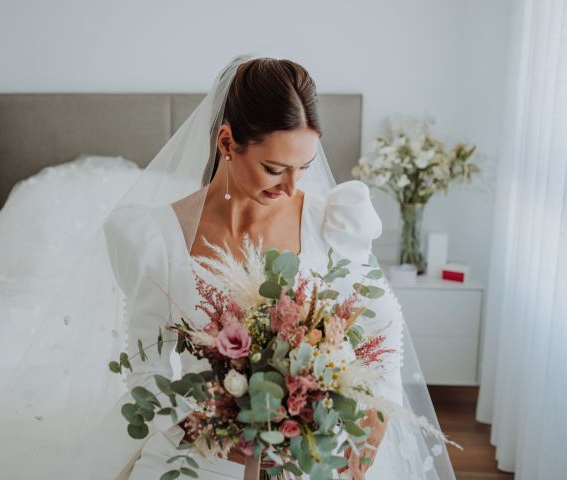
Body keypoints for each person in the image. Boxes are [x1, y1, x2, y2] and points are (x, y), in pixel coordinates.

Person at [101, 56, 453, 479]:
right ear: (227, 142)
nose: (291, 187)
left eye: (303, 168)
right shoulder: (156, 240)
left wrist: (370, 431)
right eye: (274, 169)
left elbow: (381, 327)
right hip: (201, 452)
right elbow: (146, 369)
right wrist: (206, 432)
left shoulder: (332, 222)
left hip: (306, 451)